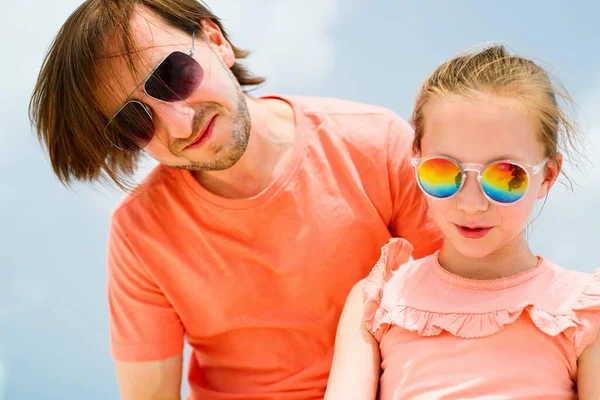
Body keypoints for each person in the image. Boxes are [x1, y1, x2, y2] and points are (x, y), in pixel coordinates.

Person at [28, 1, 443, 399]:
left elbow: (456, 308)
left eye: (173, 76)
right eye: (135, 121)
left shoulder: (378, 144)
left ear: (216, 40)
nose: (180, 123)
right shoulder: (139, 233)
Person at [325, 44, 600, 399]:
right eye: (444, 172)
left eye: (505, 177)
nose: (471, 205)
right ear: (416, 160)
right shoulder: (377, 302)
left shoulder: (583, 309)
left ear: (547, 175)